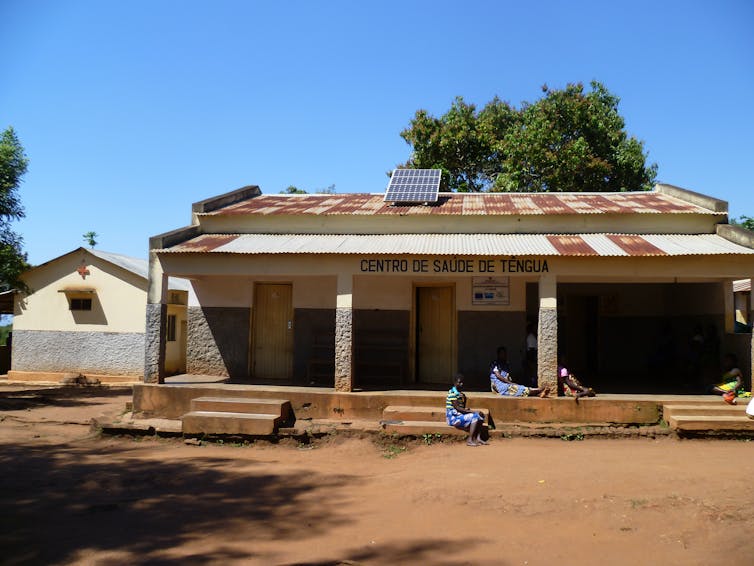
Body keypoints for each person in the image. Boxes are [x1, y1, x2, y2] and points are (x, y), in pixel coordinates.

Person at [446, 373, 487, 446]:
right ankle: (470, 440)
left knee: (480, 416)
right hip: (453, 417)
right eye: (459, 382)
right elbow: (458, 408)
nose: (461, 384)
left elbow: (462, 407)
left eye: (462, 382)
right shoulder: (452, 393)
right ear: (455, 382)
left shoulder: (459, 393)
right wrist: (473, 411)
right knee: (475, 416)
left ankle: (478, 438)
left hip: (458, 414)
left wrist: (464, 399)